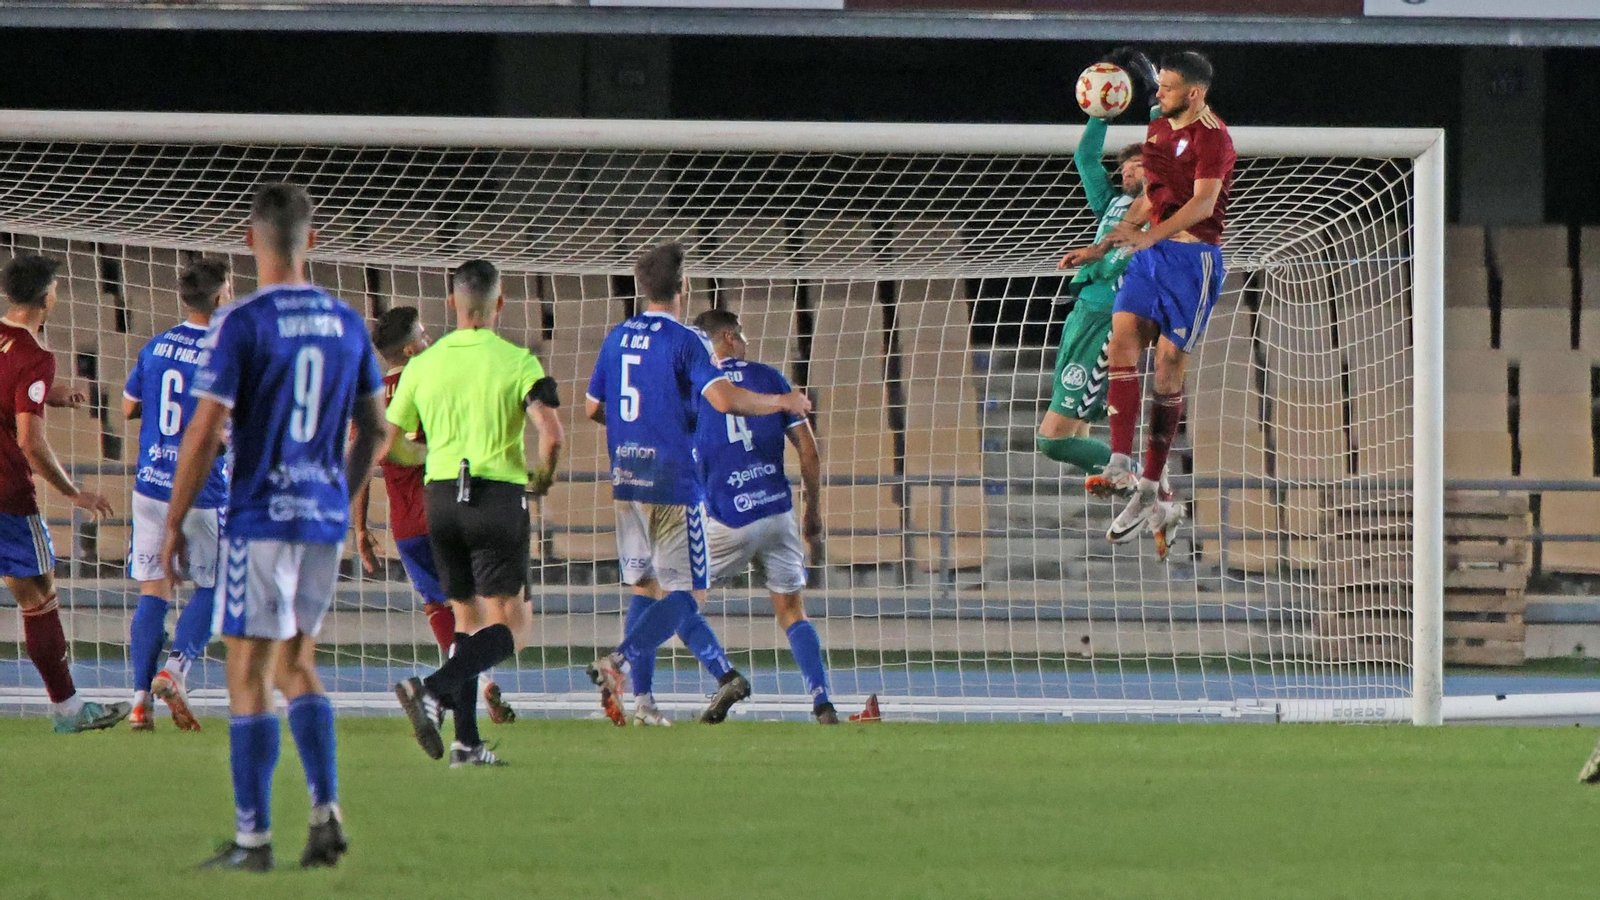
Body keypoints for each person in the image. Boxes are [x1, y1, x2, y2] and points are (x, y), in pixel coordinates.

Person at [163, 183, 386, 871]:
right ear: (311, 240)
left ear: (249, 240)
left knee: (247, 672)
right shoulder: (347, 322)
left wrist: (174, 522)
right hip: (320, 519)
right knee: (298, 665)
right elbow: (374, 430)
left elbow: (203, 432)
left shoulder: (242, 322)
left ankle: (253, 839)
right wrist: (335, 496)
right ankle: (326, 811)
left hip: (259, 516)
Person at [584, 241, 811, 727]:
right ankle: (618, 662)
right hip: (670, 483)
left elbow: (591, 409)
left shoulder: (616, 336)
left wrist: (639, 429)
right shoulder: (687, 341)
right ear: (684, 285)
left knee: (645, 589)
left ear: (641, 287)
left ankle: (643, 704)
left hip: (626, 479)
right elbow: (726, 400)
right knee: (686, 594)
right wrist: (782, 403)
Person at [390, 260, 562, 767]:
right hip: (496, 495)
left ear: (452, 303)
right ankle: (432, 690)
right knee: (514, 628)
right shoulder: (517, 361)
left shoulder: (424, 364)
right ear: (499, 303)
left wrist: (429, 458)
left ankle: (466, 742)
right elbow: (551, 435)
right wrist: (543, 479)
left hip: (440, 499)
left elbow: (392, 442)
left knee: (464, 620)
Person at [1090, 50, 1236, 553]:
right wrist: (1109, 240)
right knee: (1123, 339)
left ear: (1193, 94)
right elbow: (1152, 194)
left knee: (1168, 369)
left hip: (1193, 264)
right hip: (1151, 260)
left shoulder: (1213, 138)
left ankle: (1151, 487)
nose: (1157, 95)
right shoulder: (1157, 131)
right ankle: (1119, 462)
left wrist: (1153, 238)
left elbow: (1202, 203)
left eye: (1166, 88)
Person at [354, 306, 516, 729]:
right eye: (424, 335)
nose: (430, 340)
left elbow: (363, 460)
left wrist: (359, 527)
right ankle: (455, 688)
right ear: (411, 347)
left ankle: (466, 712)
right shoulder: (433, 383)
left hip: (405, 527)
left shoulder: (371, 397)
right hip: (446, 514)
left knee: (439, 609)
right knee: (485, 614)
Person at [691, 308, 836, 725]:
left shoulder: (697, 385)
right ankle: (822, 701)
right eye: (741, 334)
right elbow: (809, 451)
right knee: (792, 611)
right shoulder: (771, 379)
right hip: (777, 513)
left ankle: (725, 675)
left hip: (728, 520)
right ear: (727, 337)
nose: (745, 341)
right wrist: (812, 511)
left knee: (678, 601)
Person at [0, 253, 124, 734]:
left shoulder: (20, 352)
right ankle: (68, 709)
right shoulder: (36, 356)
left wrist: (49, 392)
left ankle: (69, 706)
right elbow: (30, 442)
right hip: (8, 494)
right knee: (39, 597)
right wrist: (76, 494)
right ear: (46, 295)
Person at [122, 257, 233, 732]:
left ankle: (139, 702)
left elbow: (128, 406)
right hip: (200, 490)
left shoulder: (156, 345)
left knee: (154, 590)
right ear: (221, 295)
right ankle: (177, 669)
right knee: (217, 585)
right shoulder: (227, 352)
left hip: (150, 485)